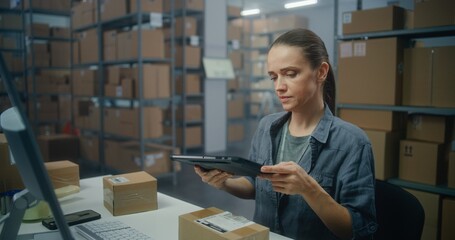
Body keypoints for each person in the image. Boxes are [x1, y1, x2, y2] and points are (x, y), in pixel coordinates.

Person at [194, 28, 377, 240]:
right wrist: (224, 183)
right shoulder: (267, 126)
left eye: (291, 74)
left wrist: (310, 191)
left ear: (321, 72)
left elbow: (359, 229)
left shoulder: (352, 143)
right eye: (274, 77)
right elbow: (255, 185)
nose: (279, 87)